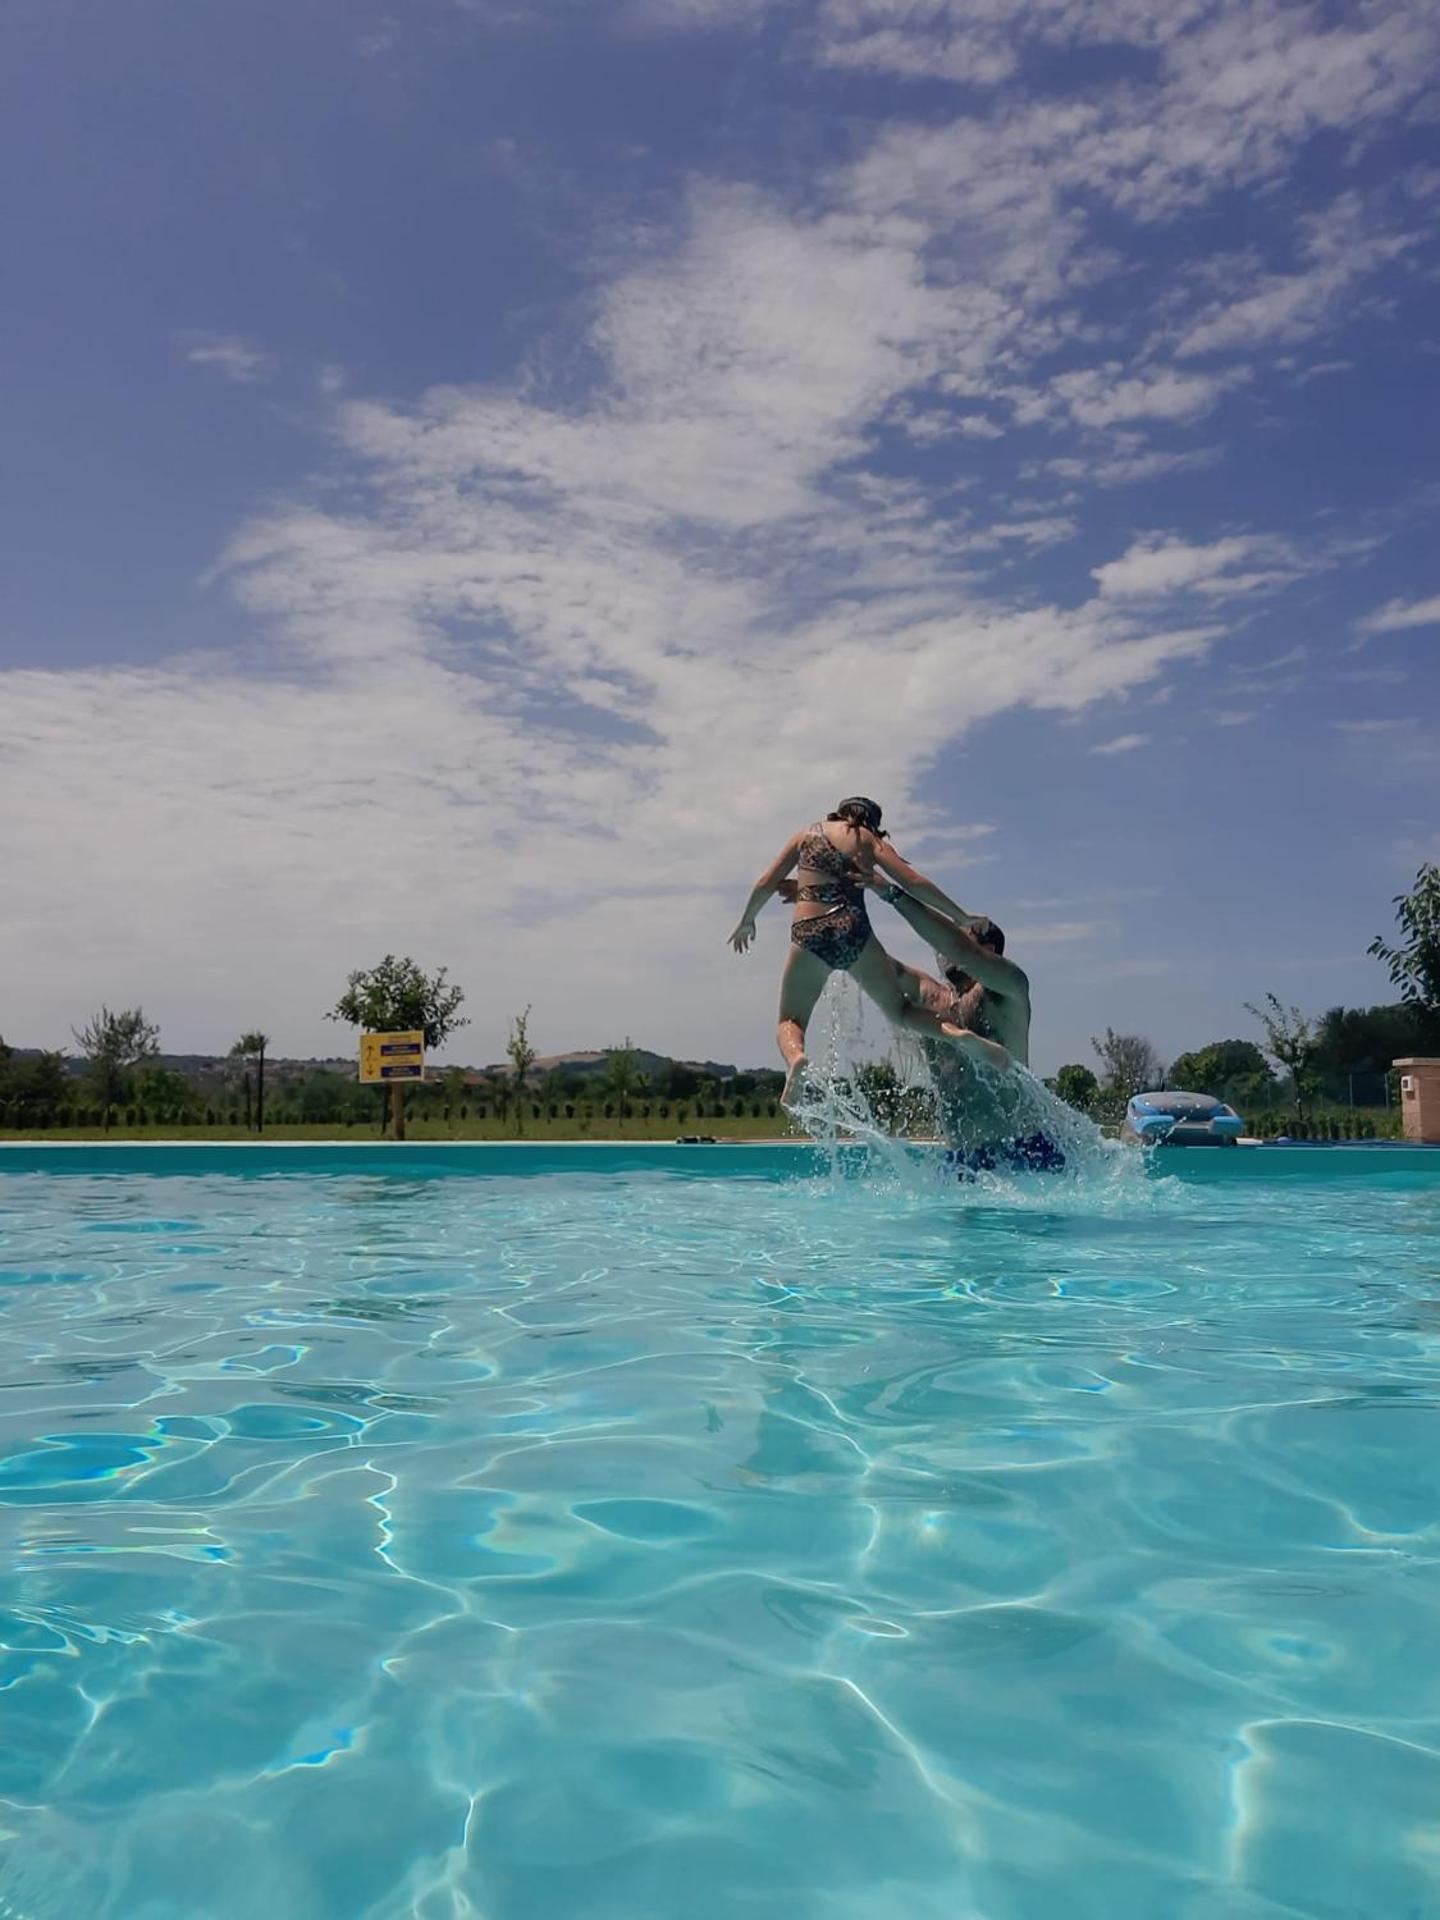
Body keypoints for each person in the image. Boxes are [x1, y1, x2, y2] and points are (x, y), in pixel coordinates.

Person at [728, 797, 999, 1105]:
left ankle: (797, 1059)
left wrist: (747, 920)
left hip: (809, 935)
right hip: (854, 934)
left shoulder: (805, 835)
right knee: (900, 1011)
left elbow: (766, 882)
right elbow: (913, 881)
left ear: (839, 812)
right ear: (872, 823)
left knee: (790, 1020)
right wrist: (960, 915)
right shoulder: (867, 840)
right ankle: (954, 1034)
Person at [870, 883, 1064, 1172]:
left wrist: (888, 890)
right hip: (963, 1161)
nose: (939, 946)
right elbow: (877, 963)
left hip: (1026, 1154)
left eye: (955, 935)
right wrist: (836, 916)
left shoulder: (1010, 991)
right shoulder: (931, 998)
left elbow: (961, 951)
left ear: (987, 951)